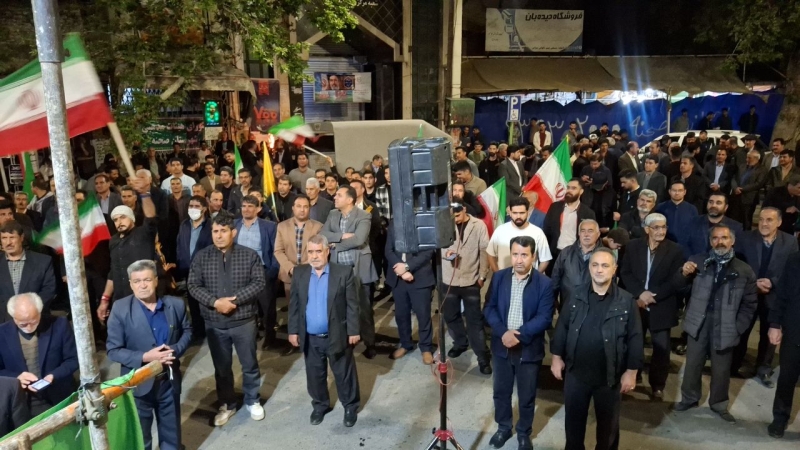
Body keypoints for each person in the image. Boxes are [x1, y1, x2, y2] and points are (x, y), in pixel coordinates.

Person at [551, 248, 643, 450]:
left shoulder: (626, 301)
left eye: (605, 265)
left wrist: (631, 371)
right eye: (595, 265)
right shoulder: (575, 295)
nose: (599, 270)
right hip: (576, 374)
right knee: (573, 428)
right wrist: (556, 357)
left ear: (614, 269)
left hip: (609, 377)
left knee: (608, 431)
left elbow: (635, 337)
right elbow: (562, 327)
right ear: (589, 268)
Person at [187, 212, 266, 426]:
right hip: (215, 322)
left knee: (249, 364)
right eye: (215, 231)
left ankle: (252, 400)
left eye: (223, 231)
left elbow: (259, 282)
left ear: (233, 232)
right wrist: (215, 302)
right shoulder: (202, 257)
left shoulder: (249, 255)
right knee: (222, 368)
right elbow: (193, 285)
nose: (219, 235)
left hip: (243, 321)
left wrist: (235, 300)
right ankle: (227, 403)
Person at [674, 224, 757, 423]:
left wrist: (737, 327)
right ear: (710, 241)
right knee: (693, 364)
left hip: (726, 325)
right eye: (715, 238)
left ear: (732, 241)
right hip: (698, 322)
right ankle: (689, 398)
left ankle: (719, 404)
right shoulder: (697, 262)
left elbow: (750, 304)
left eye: (724, 238)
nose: (720, 242)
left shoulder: (744, 270)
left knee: (721, 369)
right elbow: (679, 289)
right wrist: (683, 274)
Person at [106, 260, 192, 450]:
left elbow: (187, 331)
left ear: (156, 281)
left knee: (172, 434)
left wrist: (175, 350)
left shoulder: (175, 305)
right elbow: (113, 350)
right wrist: (146, 357)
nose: (142, 285)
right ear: (131, 284)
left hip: (168, 381)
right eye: (137, 281)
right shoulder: (120, 309)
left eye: (147, 280)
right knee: (141, 436)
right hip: (138, 383)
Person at [483, 236, 553, 450]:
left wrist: (519, 335)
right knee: (501, 392)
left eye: (524, 255)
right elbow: (489, 308)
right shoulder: (499, 278)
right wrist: (503, 332)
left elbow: (545, 317)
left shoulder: (544, 283)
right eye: (515, 254)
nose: (519, 260)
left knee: (526, 395)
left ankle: (523, 432)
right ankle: (504, 427)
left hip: (528, 349)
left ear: (533, 256)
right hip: (501, 347)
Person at [288, 234, 360, 427]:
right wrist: (293, 331)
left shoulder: (343, 272)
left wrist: (353, 331)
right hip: (310, 337)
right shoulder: (300, 273)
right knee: (315, 375)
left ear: (327, 251)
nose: (314, 256)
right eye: (310, 252)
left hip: (337, 335)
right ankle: (320, 405)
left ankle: (350, 407)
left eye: (318, 251)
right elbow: (294, 305)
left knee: (343, 374)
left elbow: (352, 305)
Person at [619, 214, 685, 400]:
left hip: (661, 305)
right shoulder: (633, 246)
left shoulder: (675, 250)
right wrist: (640, 293)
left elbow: (675, 280)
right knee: (634, 344)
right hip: (637, 304)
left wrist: (652, 296)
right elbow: (625, 272)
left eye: (664, 227)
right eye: (656, 227)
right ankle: (634, 375)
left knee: (661, 350)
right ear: (647, 229)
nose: (661, 231)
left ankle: (658, 386)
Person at [731, 207, 797, 385]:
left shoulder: (790, 242)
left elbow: (791, 270)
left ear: (779, 222)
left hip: (774, 295)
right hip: (748, 293)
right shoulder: (745, 238)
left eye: (769, 220)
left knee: (769, 334)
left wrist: (772, 282)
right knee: (742, 329)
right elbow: (736, 265)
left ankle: (764, 368)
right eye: (761, 219)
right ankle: (734, 364)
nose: (764, 223)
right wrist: (754, 284)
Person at [320, 186, 378, 358]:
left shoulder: (364, 215)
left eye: (339, 195)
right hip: (338, 269)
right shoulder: (333, 214)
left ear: (350, 199)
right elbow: (323, 234)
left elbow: (359, 239)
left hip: (358, 269)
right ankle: (347, 340)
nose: (335, 197)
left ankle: (370, 342)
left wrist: (336, 245)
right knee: (341, 307)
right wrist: (341, 236)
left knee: (364, 309)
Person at [0, 293, 77, 415]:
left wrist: (53, 376)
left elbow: (73, 359)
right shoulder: (2, 333)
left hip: (58, 394)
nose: (29, 327)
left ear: (39, 312)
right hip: (22, 400)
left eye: (34, 321)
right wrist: (17, 377)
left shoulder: (59, 324)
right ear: (13, 317)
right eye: (23, 324)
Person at [98, 178, 159, 322]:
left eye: (123, 217)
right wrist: (105, 299)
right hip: (121, 299)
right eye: (116, 219)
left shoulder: (143, 234)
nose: (119, 222)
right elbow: (113, 272)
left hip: (144, 297)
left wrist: (144, 194)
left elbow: (150, 217)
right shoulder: (113, 241)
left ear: (132, 218)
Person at [441, 203, 491, 373]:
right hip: (449, 280)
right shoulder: (443, 223)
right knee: (450, 315)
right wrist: (446, 254)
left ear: (464, 210)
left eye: (457, 215)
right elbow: (437, 247)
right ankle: (461, 343)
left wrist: (482, 275)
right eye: (452, 216)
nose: (455, 219)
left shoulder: (478, 225)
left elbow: (484, 250)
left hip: (471, 280)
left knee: (474, 321)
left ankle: (483, 357)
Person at [385, 223, 435, 364]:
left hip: (420, 277)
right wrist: (401, 271)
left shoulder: (423, 223)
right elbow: (388, 250)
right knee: (401, 315)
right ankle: (405, 343)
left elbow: (428, 252)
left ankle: (426, 347)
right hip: (398, 277)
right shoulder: (394, 225)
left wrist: (407, 267)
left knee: (423, 315)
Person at [234, 196, 280, 349]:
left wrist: (272, 272)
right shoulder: (234, 225)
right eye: (244, 206)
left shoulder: (269, 226)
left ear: (258, 209)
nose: (246, 209)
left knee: (267, 308)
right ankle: (250, 336)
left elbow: (276, 250)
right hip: (240, 274)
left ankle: (270, 338)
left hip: (262, 272)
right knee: (245, 307)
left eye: (250, 206)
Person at [274, 195, 323, 324]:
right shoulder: (282, 226)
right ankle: (295, 334)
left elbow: (319, 251)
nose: (302, 209)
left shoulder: (318, 227)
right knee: (293, 310)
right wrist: (290, 268)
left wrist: (303, 268)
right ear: (293, 208)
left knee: (311, 309)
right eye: (299, 206)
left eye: (305, 207)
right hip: (289, 275)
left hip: (311, 273)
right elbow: (278, 251)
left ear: (309, 208)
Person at [768, 250, 800, 438]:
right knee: (787, 378)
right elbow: (783, 292)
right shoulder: (796, 258)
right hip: (795, 330)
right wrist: (775, 324)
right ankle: (780, 418)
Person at [0, 222, 56, 323]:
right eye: (4, 238)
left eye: (12, 237)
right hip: (3, 322)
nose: (8, 242)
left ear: (21, 238)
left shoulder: (43, 261)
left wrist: (29, 311)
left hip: (35, 319)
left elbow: (49, 290)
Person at [176, 196, 213, 342]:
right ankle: (198, 332)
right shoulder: (184, 224)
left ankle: (210, 330)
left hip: (206, 271)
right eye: (190, 206)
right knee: (192, 303)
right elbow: (180, 244)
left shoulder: (210, 225)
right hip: (188, 270)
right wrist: (181, 261)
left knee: (206, 302)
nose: (193, 209)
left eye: (196, 206)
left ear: (204, 209)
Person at [488, 197, 552, 273]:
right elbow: (490, 254)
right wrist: (497, 274)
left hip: (529, 278)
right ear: (510, 213)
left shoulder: (538, 232)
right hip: (503, 278)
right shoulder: (500, 230)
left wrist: (534, 277)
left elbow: (545, 260)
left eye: (522, 213)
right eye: (515, 213)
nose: (518, 216)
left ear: (527, 213)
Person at [551, 219, 603, 310]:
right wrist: (553, 299)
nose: (586, 234)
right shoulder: (566, 253)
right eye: (583, 231)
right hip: (568, 305)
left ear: (598, 234)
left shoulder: (605, 256)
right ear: (579, 234)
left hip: (594, 308)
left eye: (590, 231)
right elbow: (555, 278)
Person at [542, 179, 595, 261]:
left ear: (581, 191)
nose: (569, 190)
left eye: (573, 188)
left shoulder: (588, 213)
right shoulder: (555, 207)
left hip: (575, 255)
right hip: (554, 253)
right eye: (568, 187)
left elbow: (590, 237)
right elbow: (546, 229)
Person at [686, 193, 743, 257]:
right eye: (711, 202)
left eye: (718, 203)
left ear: (726, 207)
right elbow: (685, 246)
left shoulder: (735, 227)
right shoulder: (693, 222)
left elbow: (736, 252)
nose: (713, 205)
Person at [730, 150, 767, 230]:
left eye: (749, 158)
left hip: (749, 199)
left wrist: (742, 189)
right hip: (736, 196)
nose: (747, 159)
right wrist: (735, 188)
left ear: (756, 158)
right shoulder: (742, 166)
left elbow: (758, 184)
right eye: (747, 157)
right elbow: (734, 178)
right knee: (734, 218)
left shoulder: (762, 169)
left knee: (746, 220)